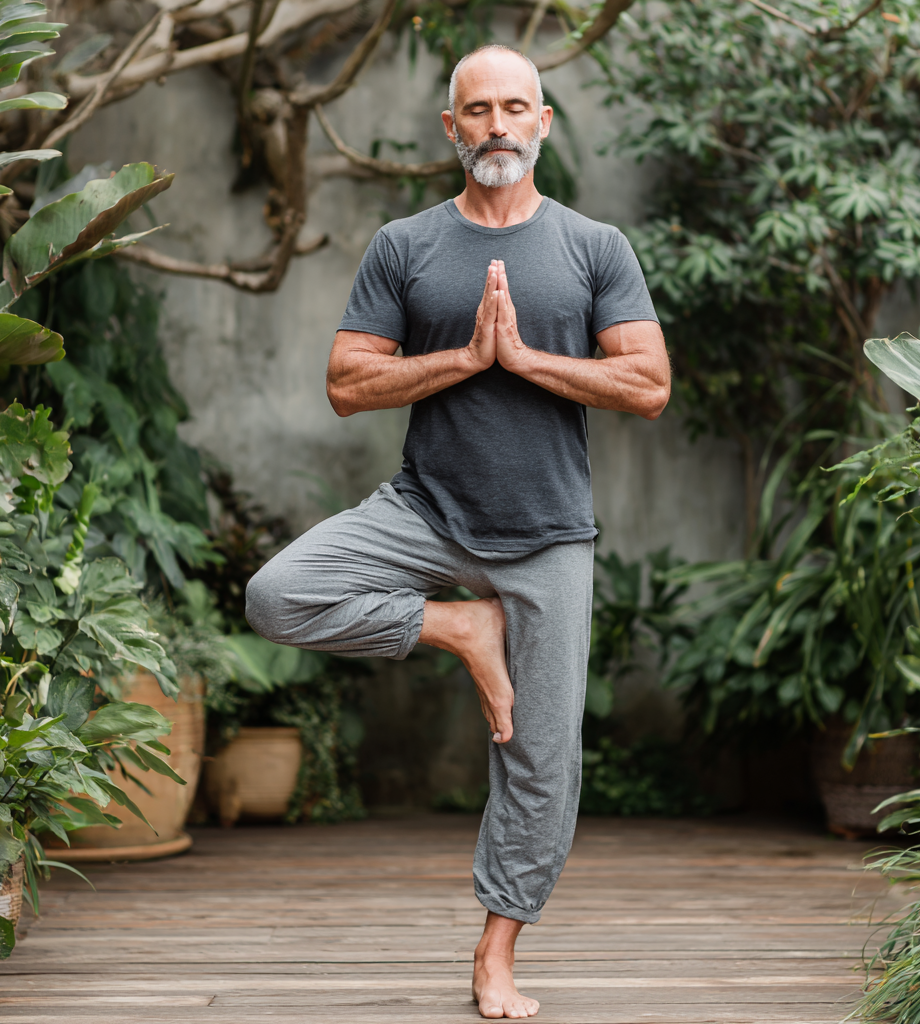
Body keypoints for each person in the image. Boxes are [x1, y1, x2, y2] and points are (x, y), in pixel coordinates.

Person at [245, 43, 670, 1019]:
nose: (496, 127)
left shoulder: (593, 246)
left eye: (515, 108)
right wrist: (463, 356)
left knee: (541, 754)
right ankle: (459, 627)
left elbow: (645, 385)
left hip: (549, 532)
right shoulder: (406, 245)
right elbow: (349, 382)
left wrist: (520, 359)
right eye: (476, 110)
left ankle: (495, 952)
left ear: (543, 122)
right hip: (424, 511)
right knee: (276, 594)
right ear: (450, 129)